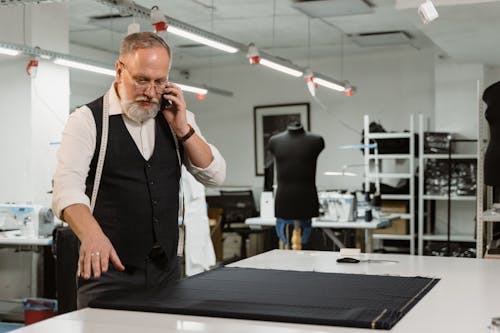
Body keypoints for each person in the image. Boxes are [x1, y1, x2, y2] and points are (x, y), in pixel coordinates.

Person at [52, 32, 226, 308]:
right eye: (142, 80)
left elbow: (215, 175)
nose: (150, 92)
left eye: (160, 82)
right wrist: (92, 235)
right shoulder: (87, 120)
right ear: (120, 70)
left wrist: (183, 129)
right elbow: (66, 189)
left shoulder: (178, 119)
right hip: (106, 274)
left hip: (165, 271)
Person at [267, 121, 324, 247]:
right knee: (286, 245)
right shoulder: (274, 141)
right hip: (284, 200)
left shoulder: (317, 140)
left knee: (306, 246)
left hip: (306, 200)